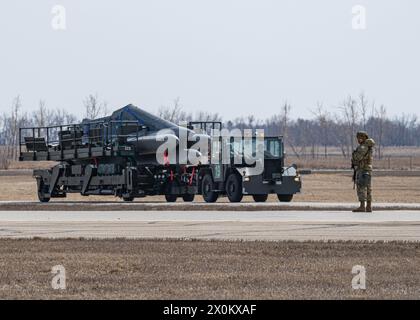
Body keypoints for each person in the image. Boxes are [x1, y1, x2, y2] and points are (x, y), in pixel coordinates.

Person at [351, 131, 375, 212]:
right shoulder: (369, 146)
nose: (358, 139)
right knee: (368, 188)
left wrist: (354, 156)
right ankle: (368, 206)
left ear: (364, 138)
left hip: (362, 168)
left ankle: (362, 206)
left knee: (361, 187)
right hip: (368, 169)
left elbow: (357, 157)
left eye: (359, 138)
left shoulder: (363, 147)